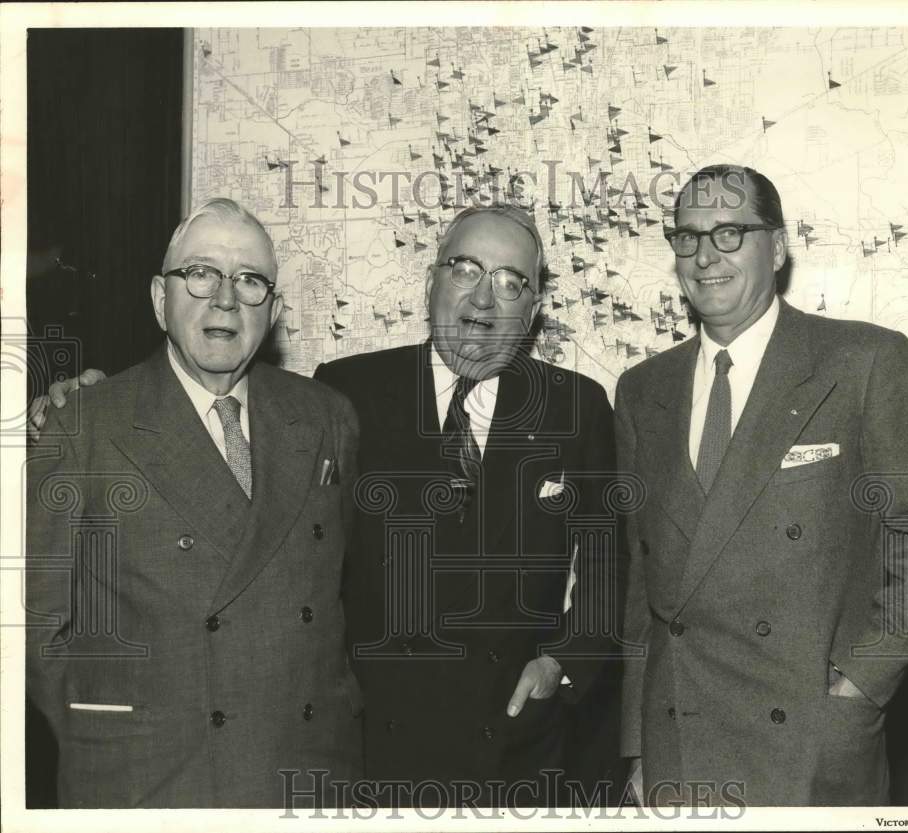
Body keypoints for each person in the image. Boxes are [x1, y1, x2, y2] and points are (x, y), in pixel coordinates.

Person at [32, 204, 623, 807]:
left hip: (516, 744)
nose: (484, 297)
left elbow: (608, 566)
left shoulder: (576, 407)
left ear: (533, 308)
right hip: (373, 751)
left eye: (510, 281)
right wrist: (86, 400)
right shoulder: (346, 393)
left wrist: (562, 663)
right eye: (466, 269)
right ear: (431, 282)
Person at [615, 164, 908, 806]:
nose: (705, 256)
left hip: (808, 747)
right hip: (678, 747)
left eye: (730, 233)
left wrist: (858, 689)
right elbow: (642, 581)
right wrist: (640, 745)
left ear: (778, 248)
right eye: (688, 237)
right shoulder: (644, 389)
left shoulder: (863, 362)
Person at [25, 199, 363, 808]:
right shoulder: (84, 424)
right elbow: (37, 624)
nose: (226, 300)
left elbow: (341, 594)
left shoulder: (326, 417)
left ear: (274, 311)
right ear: (161, 299)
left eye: (250, 281)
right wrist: (109, 732)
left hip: (305, 778)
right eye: (201, 273)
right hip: (152, 783)